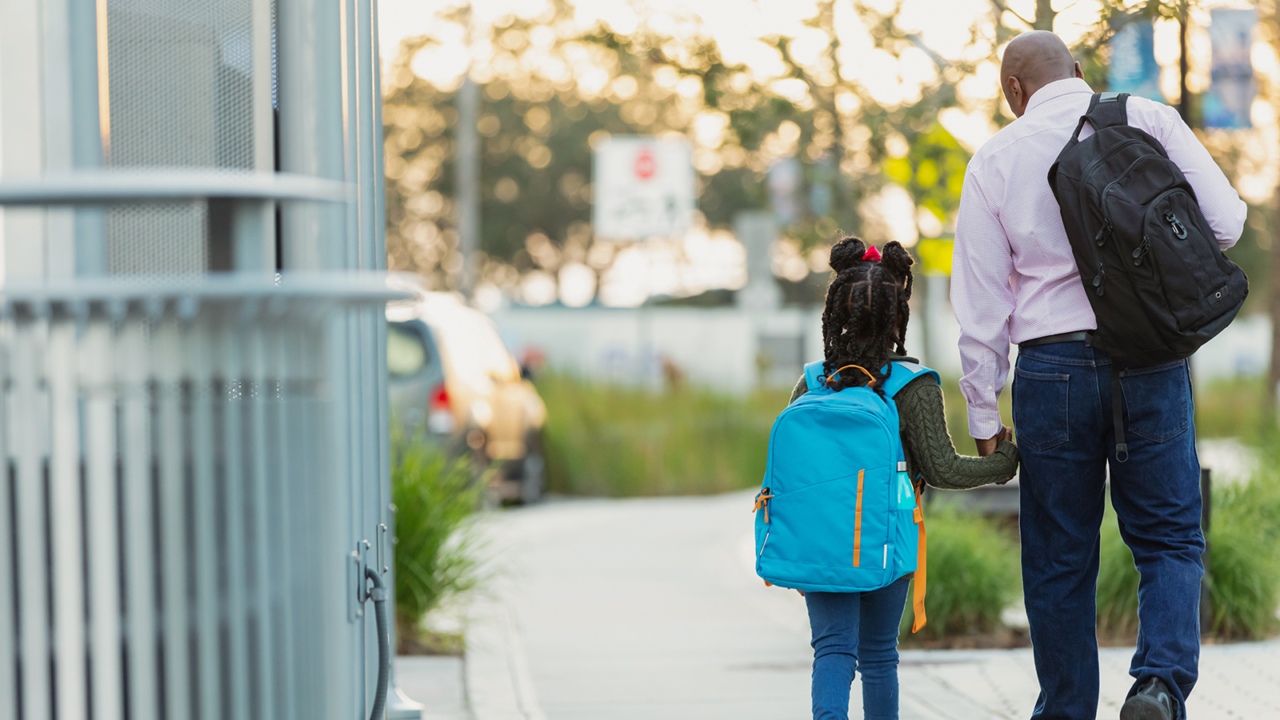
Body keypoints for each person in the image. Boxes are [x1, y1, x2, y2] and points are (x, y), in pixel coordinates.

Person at [950, 31, 1247, 720]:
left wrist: (984, 416)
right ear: (1079, 73)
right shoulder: (1145, 118)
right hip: (1148, 355)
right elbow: (1227, 223)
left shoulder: (995, 158)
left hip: (1051, 369)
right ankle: (1158, 687)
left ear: (1013, 91)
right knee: (1170, 536)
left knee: (1058, 557)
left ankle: (1066, 709)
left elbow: (982, 303)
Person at [789, 237, 1019, 720]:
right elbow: (944, 470)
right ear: (899, 316)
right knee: (876, 656)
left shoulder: (811, 382)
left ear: (838, 313)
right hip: (885, 541)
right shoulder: (912, 385)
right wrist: (1006, 462)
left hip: (820, 542)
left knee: (832, 651)